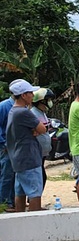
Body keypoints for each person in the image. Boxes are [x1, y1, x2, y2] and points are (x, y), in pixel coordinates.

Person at [6, 79, 47, 212]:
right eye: (30, 93)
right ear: (23, 95)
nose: (32, 95)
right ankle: (35, 224)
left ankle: (21, 221)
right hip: (29, 158)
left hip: (18, 159)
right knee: (35, 193)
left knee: (21, 192)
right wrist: (35, 130)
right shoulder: (24, 112)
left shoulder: (14, 111)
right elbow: (42, 129)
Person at [30, 88, 55, 189]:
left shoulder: (42, 113)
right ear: (40, 101)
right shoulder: (33, 113)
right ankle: (33, 202)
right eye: (48, 100)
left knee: (41, 176)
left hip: (42, 152)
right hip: (36, 151)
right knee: (40, 177)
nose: (50, 102)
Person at [0, 84, 17, 209]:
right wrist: (3, 143)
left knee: (14, 174)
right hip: (6, 147)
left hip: (16, 147)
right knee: (6, 175)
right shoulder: (4, 106)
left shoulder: (22, 107)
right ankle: (4, 202)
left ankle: (12, 200)